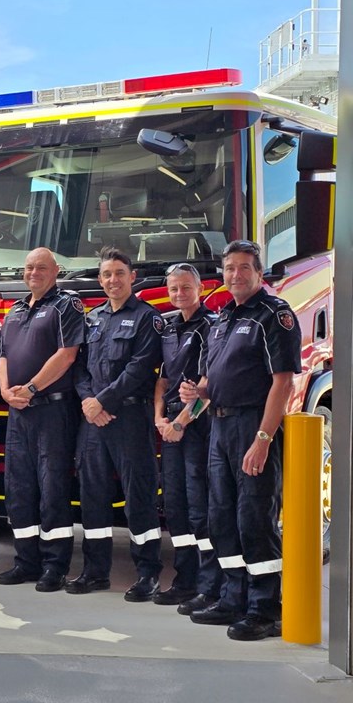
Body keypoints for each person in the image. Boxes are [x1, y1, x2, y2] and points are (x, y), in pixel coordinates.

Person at [180, 240, 301, 641]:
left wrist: (264, 439)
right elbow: (213, 382)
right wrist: (197, 396)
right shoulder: (221, 319)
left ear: (258, 272)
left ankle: (266, 609)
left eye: (244, 267)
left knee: (254, 519)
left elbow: (282, 382)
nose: (235, 274)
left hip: (253, 427)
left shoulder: (273, 314)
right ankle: (234, 598)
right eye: (229, 267)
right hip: (218, 428)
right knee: (222, 518)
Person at [69, 247, 164, 601]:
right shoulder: (92, 319)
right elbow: (78, 368)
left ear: (132, 277)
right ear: (100, 279)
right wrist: (88, 402)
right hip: (93, 421)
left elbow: (140, 368)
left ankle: (148, 574)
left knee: (138, 497)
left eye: (119, 273)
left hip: (129, 418)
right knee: (92, 496)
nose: (113, 280)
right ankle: (95, 572)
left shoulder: (147, 318)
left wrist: (101, 402)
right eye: (106, 275)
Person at [0, 248, 84, 593]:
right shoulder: (14, 311)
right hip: (18, 411)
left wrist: (31, 387)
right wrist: (6, 392)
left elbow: (68, 354)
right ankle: (26, 561)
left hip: (52, 410)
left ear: (56, 271)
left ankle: (54, 566)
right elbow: (3, 355)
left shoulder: (66, 305)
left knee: (53, 489)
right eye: (29, 267)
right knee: (18, 489)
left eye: (42, 267)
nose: (34, 272)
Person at [152, 263, 221, 614]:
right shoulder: (167, 327)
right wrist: (159, 418)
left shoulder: (212, 326)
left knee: (200, 509)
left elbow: (208, 388)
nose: (179, 293)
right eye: (174, 288)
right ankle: (184, 579)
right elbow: (162, 381)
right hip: (170, 427)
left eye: (186, 287)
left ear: (199, 287)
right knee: (175, 506)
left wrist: (179, 423)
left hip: (197, 428)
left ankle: (209, 586)